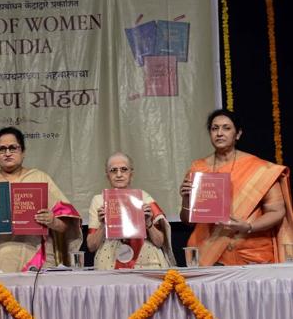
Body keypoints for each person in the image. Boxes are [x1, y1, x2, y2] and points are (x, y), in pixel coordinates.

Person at [180, 109, 293, 265]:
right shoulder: (198, 168)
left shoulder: (259, 169)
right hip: (209, 254)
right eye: (214, 128)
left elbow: (276, 211)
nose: (219, 133)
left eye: (226, 128)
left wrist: (248, 226)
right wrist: (186, 199)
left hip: (251, 252)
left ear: (238, 134)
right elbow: (189, 221)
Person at [0, 127, 82, 272]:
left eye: (13, 148)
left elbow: (66, 226)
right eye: (2, 149)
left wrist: (53, 221)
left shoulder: (39, 179)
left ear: (23, 152)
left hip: (35, 264)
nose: (7, 153)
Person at [87, 152, 175, 269]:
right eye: (113, 170)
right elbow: (91, 246)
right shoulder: (98, 200)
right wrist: (103, 224)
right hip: (110, 263)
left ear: (131, 174)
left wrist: (148, 223)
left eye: (124, 169)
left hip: (146, 263)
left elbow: (159, 242)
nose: (119, 174)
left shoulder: (144, 198)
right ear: (108, 175)